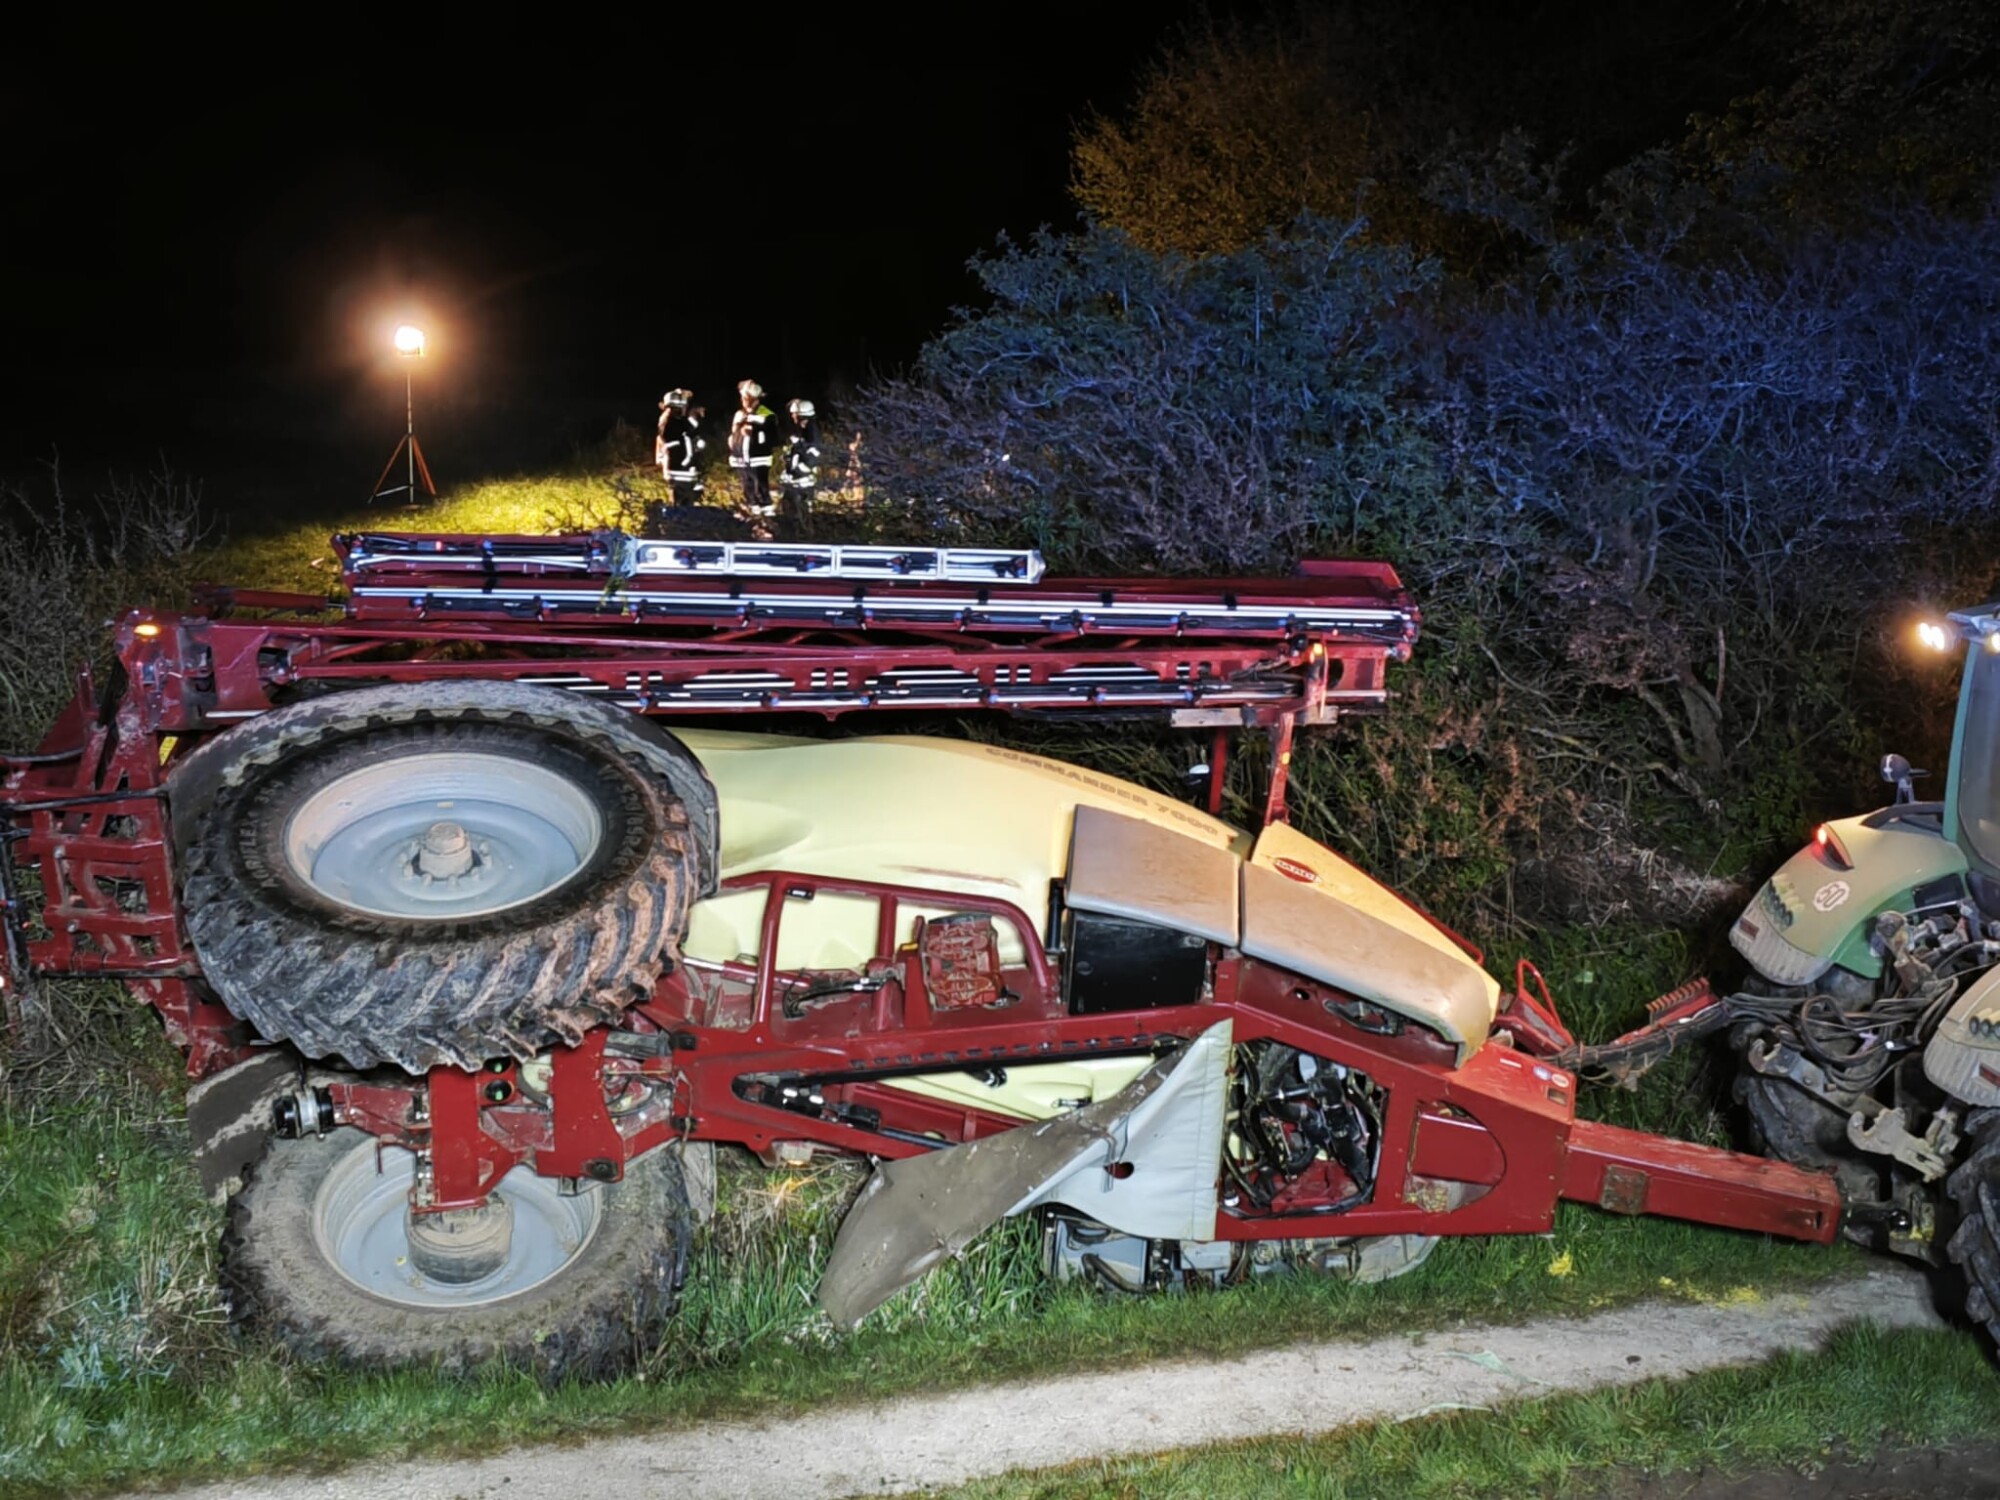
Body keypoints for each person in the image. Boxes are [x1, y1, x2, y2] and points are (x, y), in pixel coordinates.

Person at [728, 379, 776, 517]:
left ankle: (767, 515)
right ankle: (753, 513)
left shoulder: (765, 414)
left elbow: (771, 436)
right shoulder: (740, 414)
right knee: (747, 486)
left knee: (760, 486)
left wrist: (751, 426)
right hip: (741, 458)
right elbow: (734, 433)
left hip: (758, 458)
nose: (742, 399)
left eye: (744, 396)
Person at [779, 398, 821, 532]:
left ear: (802, 415)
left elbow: (812, 457)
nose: (792, 418)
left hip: (803, 482)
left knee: (801, 511)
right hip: (795, 480)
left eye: (794, 415)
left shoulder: (812, 434)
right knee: (788, 506)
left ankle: (805, 535)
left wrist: (797, 469)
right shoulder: (801, 431)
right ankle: (795, 532)